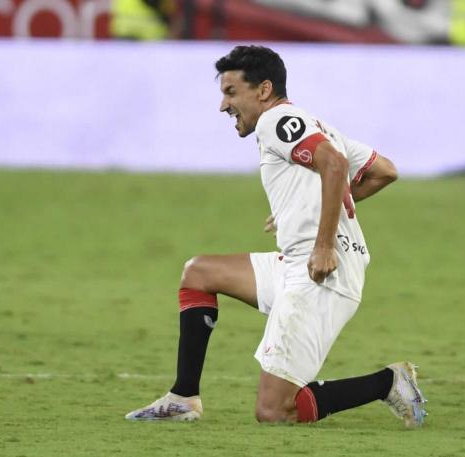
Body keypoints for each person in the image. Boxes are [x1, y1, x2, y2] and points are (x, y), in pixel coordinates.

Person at [125, 45, 427, 426]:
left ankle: (387, 382)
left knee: (275, 411)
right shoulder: (316, 123)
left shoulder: (276, 120)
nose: (223, 105)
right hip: (298, 262)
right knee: (199, 273)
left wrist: (323, 245)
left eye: (231, 92)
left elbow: (333, 164)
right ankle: (183, 397)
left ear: (264, 90)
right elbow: (384, 170)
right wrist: (308, 209)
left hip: (320, 274)